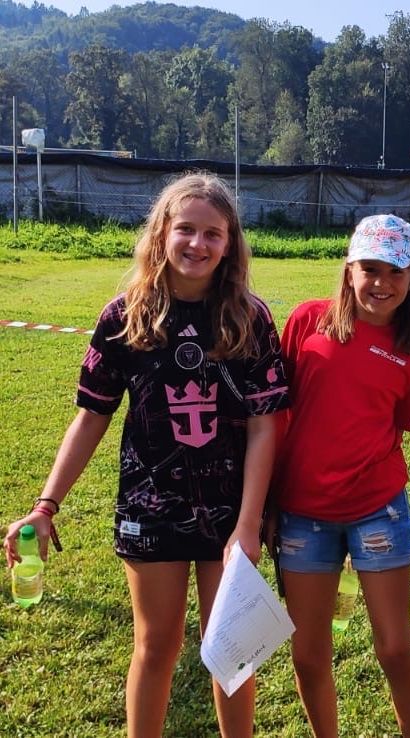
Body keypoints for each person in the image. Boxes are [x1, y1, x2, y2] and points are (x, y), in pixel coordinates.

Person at [3, 172, 289, 738]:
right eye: (186, 229)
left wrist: (249, 523)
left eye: (214, 233)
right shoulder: (124, 316)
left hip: (229, 513)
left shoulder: (249, 318)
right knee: (156, 646)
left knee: (231, 652)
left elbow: (264, 426)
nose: (198, 244)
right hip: (150, 506)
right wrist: (46, 505)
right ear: (161, 232)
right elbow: (91, 415)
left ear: (230, 243)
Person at [269, 214, 410, 738]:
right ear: (348, 269)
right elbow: (273, 415)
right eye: (370, 269)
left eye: (395, 272)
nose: (381, 283)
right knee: (310, 652)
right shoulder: (306, 321)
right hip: (301, 514)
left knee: (393, 645)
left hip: (377, 509)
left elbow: (395, 427)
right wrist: (269, 504)